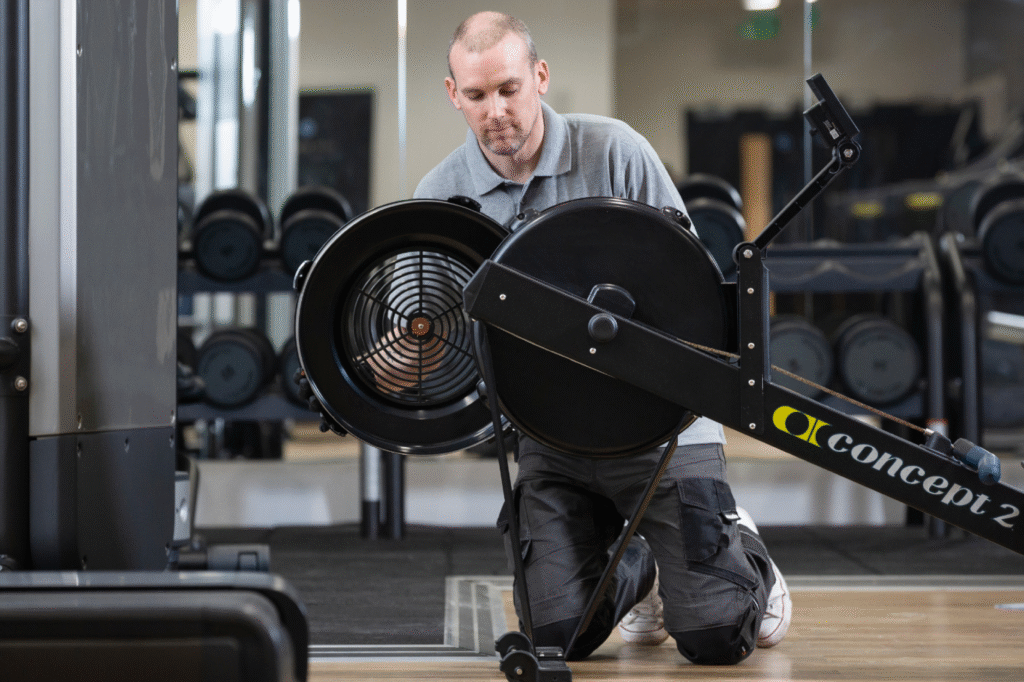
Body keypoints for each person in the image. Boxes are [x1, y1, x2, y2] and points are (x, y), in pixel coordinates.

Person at [414, 11, 791, 664]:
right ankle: (636, 563)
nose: (495, 111)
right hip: (552, 441)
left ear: (540, 76)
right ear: (454, 95)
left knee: (716, 636)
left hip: (662, 425)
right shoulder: (442, 195)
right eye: (476, 96)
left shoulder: (616, 153)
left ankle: (746, 557)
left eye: (508, 88)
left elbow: (692, 299)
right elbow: (433, 335)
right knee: (560, 636)